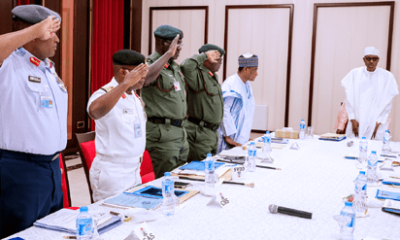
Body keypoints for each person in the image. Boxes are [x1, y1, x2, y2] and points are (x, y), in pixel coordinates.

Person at [0, 5, 64, 238]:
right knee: (20, 233)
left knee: (50, 232)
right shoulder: (9, 63)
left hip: (52, 169)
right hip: (21, 171)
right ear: (33, 34)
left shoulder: (47, 68)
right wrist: (34, 30)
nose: (57, 39)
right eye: (51, 32)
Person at [87, 50, 148, 202]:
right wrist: (126, 83)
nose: (144, 76)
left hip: (134, 171)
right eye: (140, 72)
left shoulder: (134, 96)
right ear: (123, 72)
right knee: (109, 221)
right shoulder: (104, 94)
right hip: (113, 173)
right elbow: (93, 111)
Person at [141, 25, 188, 178]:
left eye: (180, 44)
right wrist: (168, 54)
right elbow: (145, 79)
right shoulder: (149, 64)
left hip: (180, 132)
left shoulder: (174, 67)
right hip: (162, 133)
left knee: (181, 181)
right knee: (166, 182)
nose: (179, 48)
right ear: (161, 42)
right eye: (176, 44)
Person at [341, 47, 398, 140]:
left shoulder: (387, 76)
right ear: (364, 59)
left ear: (378, 60)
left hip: (377, 122)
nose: (371, 61)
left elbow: (388, 103)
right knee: (352, 150)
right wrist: (352, 119)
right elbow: (349, 99)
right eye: (368, 58)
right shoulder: (354, 74)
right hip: (356, 121)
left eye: (374, 59)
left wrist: (378, 123)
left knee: (374, 150)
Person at [180, 44, 225, 161]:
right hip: (199, 132)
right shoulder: (197, 75)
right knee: (199, 171)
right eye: (217, 59)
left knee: (209, 169)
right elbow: (185, 66)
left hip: (211, 133)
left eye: (221, 60)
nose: (220, 63)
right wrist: (203, 55)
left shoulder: (212, 76)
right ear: (206, 59)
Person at [217, 53, 258, 153]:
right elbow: (224, 110)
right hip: (228, 141)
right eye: (255, 70)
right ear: (246, 69)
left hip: (239, 141)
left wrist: (245, 138)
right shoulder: (231, 84)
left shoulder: (246, 85)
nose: (256, 73)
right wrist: (228, 137)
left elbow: (244, 113)